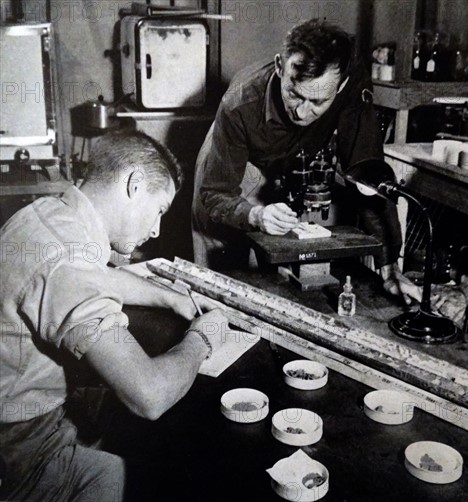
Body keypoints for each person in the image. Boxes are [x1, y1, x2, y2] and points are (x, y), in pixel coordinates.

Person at [0, 130, 228, 501]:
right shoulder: (70, 260)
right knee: (156, 475)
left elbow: (97, 277)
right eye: (159, 210)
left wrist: (169, 298)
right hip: (22, 446)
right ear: (135, 185)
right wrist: (203, 337)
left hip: (17, 413)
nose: (155, 230)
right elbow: (148, 395)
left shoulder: (49, 215)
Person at [192, 18, 420, 302]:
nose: (301, 113)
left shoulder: (350, 83)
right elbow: (215, 194)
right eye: (294, 94)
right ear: (279, 66)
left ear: (342, 85)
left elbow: (367, 174)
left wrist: (389, 266)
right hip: (239, 161)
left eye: (318, 103)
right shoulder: (238, 104)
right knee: (226, 282)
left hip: (289, 160)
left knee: (278, 273)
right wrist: (255, 214)